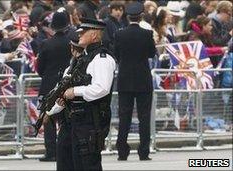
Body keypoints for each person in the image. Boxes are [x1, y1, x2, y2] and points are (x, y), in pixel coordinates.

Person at [45, 18, 116, 170]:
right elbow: (61, 90)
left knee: (86, 165)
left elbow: (101, 88)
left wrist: (75, 91)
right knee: (66, 164)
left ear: (95, 35)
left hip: (89, 122)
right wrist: (52, 108)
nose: (80, 35)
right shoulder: (80, 60)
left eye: (84, 32)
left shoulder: (102, 59)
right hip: (71, 123)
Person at [114, 2, 156, 161]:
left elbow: (116, 54)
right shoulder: (147, 33)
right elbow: (152, 53)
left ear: (128, 16)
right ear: (141, 16)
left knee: (124, 116)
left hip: (125, 79)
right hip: (143, 79)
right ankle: (143, 151)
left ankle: (122, 151)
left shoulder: (119, 34)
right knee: (144, 116)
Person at [37, 10, 71, 162]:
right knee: (67, 119)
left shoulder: (46, 44)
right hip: (67, 84)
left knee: (48, 119)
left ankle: (51, 152)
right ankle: (66, 150)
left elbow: (40, 67)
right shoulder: (71, 43)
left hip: (49, 85)